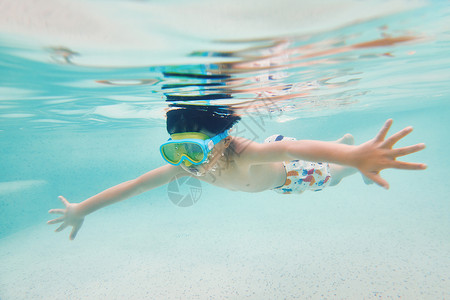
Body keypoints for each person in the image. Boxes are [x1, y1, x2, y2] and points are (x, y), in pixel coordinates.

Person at [48, 105, 427, 240]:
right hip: (276, 173)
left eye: (192, 149)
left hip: (291, 174)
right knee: (328, 164)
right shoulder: (188, 166)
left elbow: (294, 148)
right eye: (175, 150)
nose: (185, 160)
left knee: (330, 177)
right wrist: (82, 208)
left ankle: (349, 160)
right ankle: (344, 150)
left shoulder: (245, 154)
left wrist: (357, 156)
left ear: (221, 141)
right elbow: (134, 186)